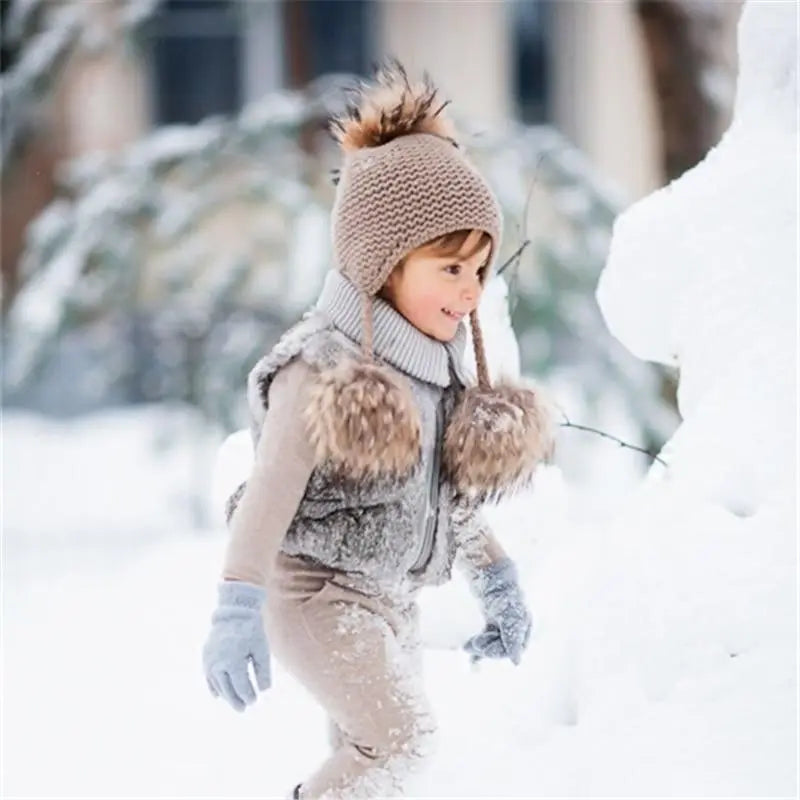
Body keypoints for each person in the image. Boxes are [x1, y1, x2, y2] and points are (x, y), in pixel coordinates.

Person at [202, 61, 556, 800]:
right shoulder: (321, 369)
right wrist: (237, 605)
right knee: (401, 742)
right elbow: (268, 492)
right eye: (450, 268)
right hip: (314, 595)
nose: (471, 291)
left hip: (392, 599)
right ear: (384, 263)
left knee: (371, 761)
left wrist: (497, 579)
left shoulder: (436, 370)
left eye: (481, 270)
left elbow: (446, 499)